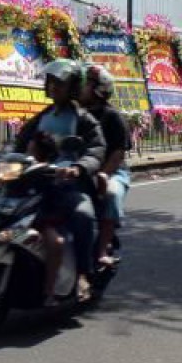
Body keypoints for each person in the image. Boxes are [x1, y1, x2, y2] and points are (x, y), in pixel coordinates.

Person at [12, 59, 105, 305]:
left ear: (73, 87)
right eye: (51, 82)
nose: (53, 87)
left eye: (60, 84)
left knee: (84, 216)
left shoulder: (84, 119)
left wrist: (78, 168)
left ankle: (84, 274)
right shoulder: (42, 117)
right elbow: (21, 143)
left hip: (70, 186)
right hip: (40, 181)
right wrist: (1, 157)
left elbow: (96, 149)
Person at [78, 64, 131, 268]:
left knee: (111, 194)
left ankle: (102, 248)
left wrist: (103, 174)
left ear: (99, 89)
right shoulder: (73, 113)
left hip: (112, 171)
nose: (81, 87)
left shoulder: (112, 117)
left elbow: (118, 153)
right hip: (79, 168)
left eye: (86, 84)